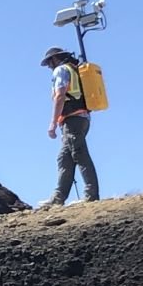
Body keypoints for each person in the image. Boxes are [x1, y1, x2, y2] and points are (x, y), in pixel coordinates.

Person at [39, 47, 99, 206]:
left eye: (49, 63)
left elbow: (60, 95)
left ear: (54, 59)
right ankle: (57, 198)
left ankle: (91, 196)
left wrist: (52, 123)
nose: (49, 67)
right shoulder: (74, 69)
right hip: (82, 118)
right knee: (64, 158)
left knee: (80, 155)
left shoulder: (61, 70)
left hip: (72, 119)